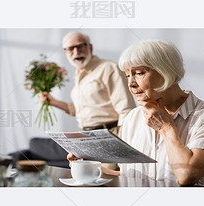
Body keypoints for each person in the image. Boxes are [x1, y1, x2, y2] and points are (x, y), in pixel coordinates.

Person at [95, 40, 204, 186]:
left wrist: (166, 128)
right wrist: (92, 167)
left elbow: (187, 175)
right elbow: (130, 176)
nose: (131, 84)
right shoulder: (132, 117)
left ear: (165, 72)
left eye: (138, 73)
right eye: (127, 76)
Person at [41, 32, 135, 170]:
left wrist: (120, 144)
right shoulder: (79, 74)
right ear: (65, 53)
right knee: (88, 184)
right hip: (86, 138)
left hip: (110, 135)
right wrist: (53, 102)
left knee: (108, 181)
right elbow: (81, 110)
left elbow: (126, 109)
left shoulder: (108, 68)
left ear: (90, 47)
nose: (76, 52)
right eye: (70, 49)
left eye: (80, 46)